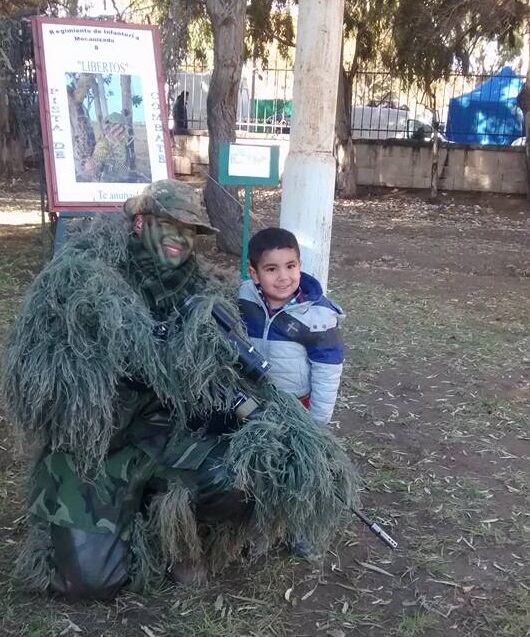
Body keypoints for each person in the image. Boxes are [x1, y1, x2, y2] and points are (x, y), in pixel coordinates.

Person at [2, 180, 357, 601]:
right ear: (139, 223)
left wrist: (228, 397)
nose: (180, 238)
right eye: (168, 224)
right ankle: (113, 519)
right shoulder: (85, 280)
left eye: (190, 230)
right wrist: (140, 366)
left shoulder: (200, 291)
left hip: (166, 437)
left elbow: (227, 368)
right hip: (97, 453)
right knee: (89, 583)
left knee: (247, 468)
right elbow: (46, 395)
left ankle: (175, 537)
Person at [239, 227, 345, 425]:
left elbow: (327, 371)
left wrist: (316, 423)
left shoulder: (318, 317)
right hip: (251, 401)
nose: (283, 277)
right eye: (271, 269)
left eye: (290, 266)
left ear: (300, 265)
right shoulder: (244, 299)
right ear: (254, 273)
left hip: (295, 409)